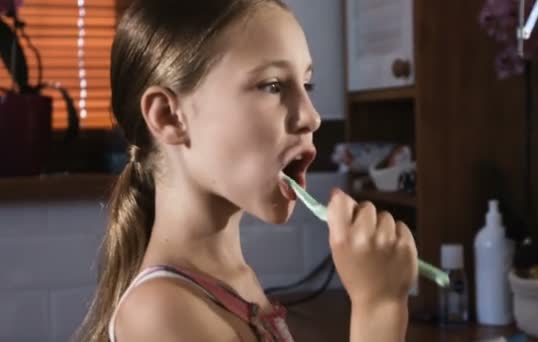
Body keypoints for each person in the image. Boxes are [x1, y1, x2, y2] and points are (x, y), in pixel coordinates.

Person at [76, 0, 418, 341]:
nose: (311, 116)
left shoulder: (235, 281)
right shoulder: (160, 312)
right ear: (169, 116)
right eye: (272, 85)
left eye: (307, 85)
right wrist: (379, 308)